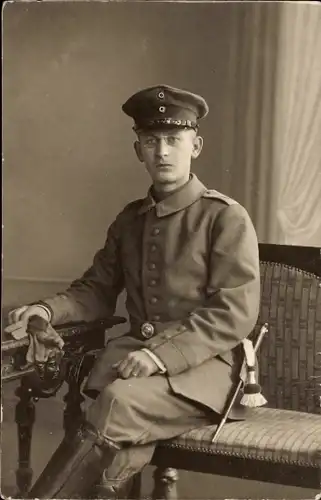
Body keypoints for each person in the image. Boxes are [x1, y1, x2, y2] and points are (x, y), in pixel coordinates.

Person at [6, 84, 261, 499]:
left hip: (206, 371)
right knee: (118, 427)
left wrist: (160, 356)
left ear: (195, 146)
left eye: (173, 140)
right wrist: (48, 309)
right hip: (133, 369)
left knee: (117, 403)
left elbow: (232, 312)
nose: (162, 151)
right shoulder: (129, 221)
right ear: (138, 149)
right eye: (151, 140)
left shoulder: (225, 218)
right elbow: (95, 289)